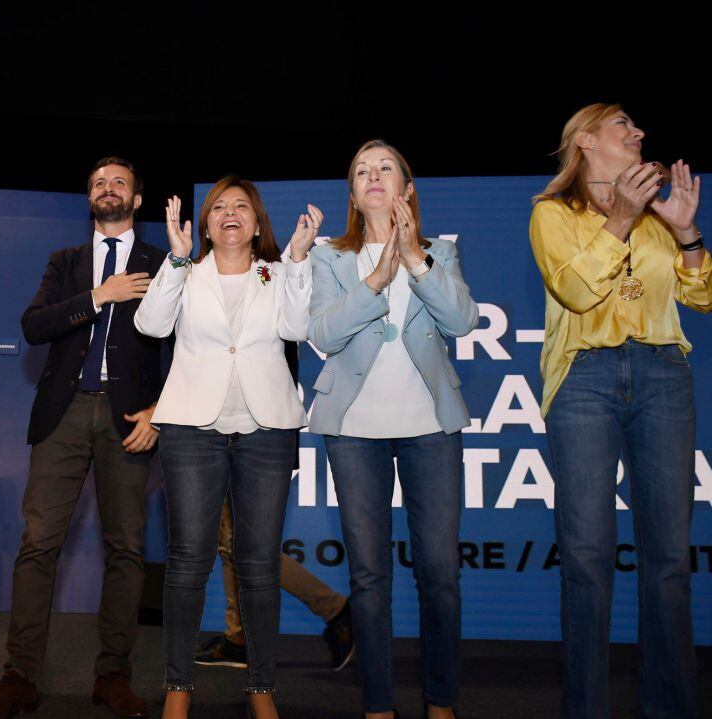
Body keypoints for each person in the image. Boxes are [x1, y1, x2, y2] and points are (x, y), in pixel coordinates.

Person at [529, 104, 708, 719]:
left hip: (664, 375)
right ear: (586, 140)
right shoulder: (552, 214)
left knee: (667, 559)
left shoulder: (661, 214)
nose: (639, 134)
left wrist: (686, 233)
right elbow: (576, 291)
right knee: (585, 556)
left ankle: (672, 706)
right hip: (584, 379)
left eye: (637, 128)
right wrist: (623, 219)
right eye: (623, 126)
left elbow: (701, 295)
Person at [0, 157, 166, 719]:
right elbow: (35, 326)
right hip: (63, 414)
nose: (108, 189)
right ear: (89, 199)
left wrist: (162, 411)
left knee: (126, 549)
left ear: (137, 198)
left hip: (131, 419)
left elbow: (186, 344)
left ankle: (113, 675)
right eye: (99, 183)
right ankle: (19, 676)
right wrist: (99, 296)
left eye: (119, 182)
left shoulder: (163, 262)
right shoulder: (67, 262)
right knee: (38, 546)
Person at [135, 179, 321, 719]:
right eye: (219, 207)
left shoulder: (282, 273)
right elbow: (150, 324)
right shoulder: (185, 274)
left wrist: (301, 260)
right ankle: (178, 685)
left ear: (258, 224)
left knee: (258, 563)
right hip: (194, 426)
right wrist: (174, 260)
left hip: (267, 429)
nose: (230, 213)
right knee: (189, 560)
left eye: (242, 206)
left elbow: (298, 326)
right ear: (206, 224)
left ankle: (261, 689)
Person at [308, 140, 478, 719]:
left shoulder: (440, 253)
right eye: (361, 171)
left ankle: (441, 700)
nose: (373, 177)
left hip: (430, 427)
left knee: (439, 573)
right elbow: (324, 335)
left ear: (406, 188)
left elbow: (462, 320)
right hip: (354, 431)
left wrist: (411, 262)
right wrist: (375, 280)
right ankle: (378, 704)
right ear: (353, 195)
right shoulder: (329, 257)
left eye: (385, 169)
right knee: (369, 574)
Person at [194, 498, 354, 672]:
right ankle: (238, 639)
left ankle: (335, 610)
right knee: (236, 546)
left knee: (244, 547)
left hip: (236, 471)